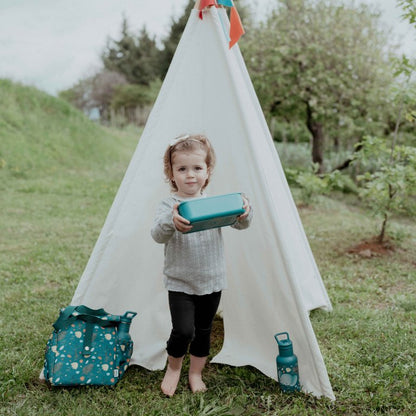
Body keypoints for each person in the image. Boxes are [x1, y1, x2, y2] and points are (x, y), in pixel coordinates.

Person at [151, 134, 253, 397]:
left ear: (207, 172)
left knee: (203, 330)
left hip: (211, 279)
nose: (190, 175)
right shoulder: (169, 206)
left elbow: (240, 223)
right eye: (182, 169)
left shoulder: (214, 204)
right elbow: (157, 234)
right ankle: (174, 368)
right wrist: (171, 222)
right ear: (171, 174)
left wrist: (244, 211)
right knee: (183, 330)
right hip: (180, 281)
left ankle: (195, 373)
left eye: (197, 168)